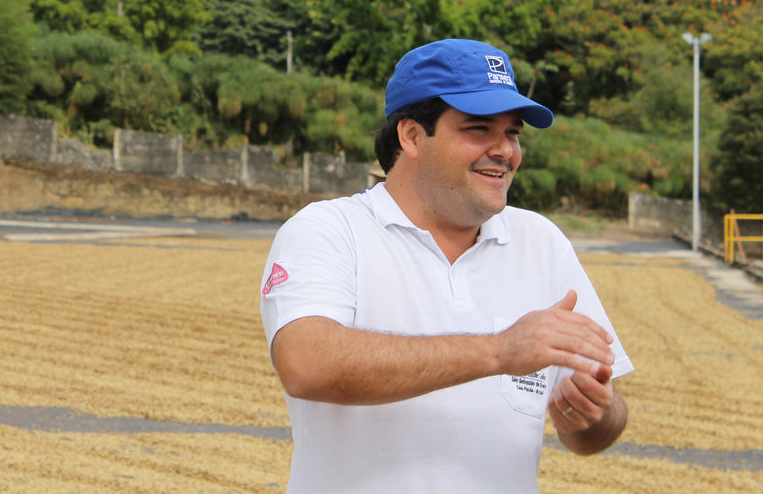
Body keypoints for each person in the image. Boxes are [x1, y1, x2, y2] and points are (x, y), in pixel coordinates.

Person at [259, 39, 633, 493]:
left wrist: (595, 412)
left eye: (513, 133)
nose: (506, 151)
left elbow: (594, 434)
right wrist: (500, 351)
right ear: (412, 136)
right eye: (479, 129)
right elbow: (305, 363)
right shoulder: (329, 230)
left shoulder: (542, 242)